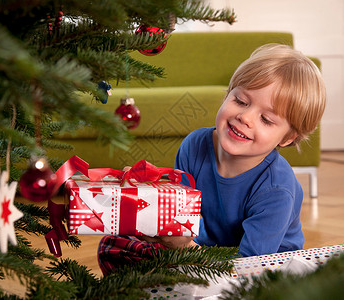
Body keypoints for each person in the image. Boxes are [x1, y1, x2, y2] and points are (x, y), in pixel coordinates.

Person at [97, 44, 326, 275]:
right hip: (203, 249)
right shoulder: (195, 145)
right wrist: (147, 194)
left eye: (266, 119)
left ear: (287, 138)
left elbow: (248, 267)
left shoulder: (277, 188)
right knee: (114, 245)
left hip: (261, 269)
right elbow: (181, 213)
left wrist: (185, 248)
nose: (245, 117)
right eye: (241, 101)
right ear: (227, 95)